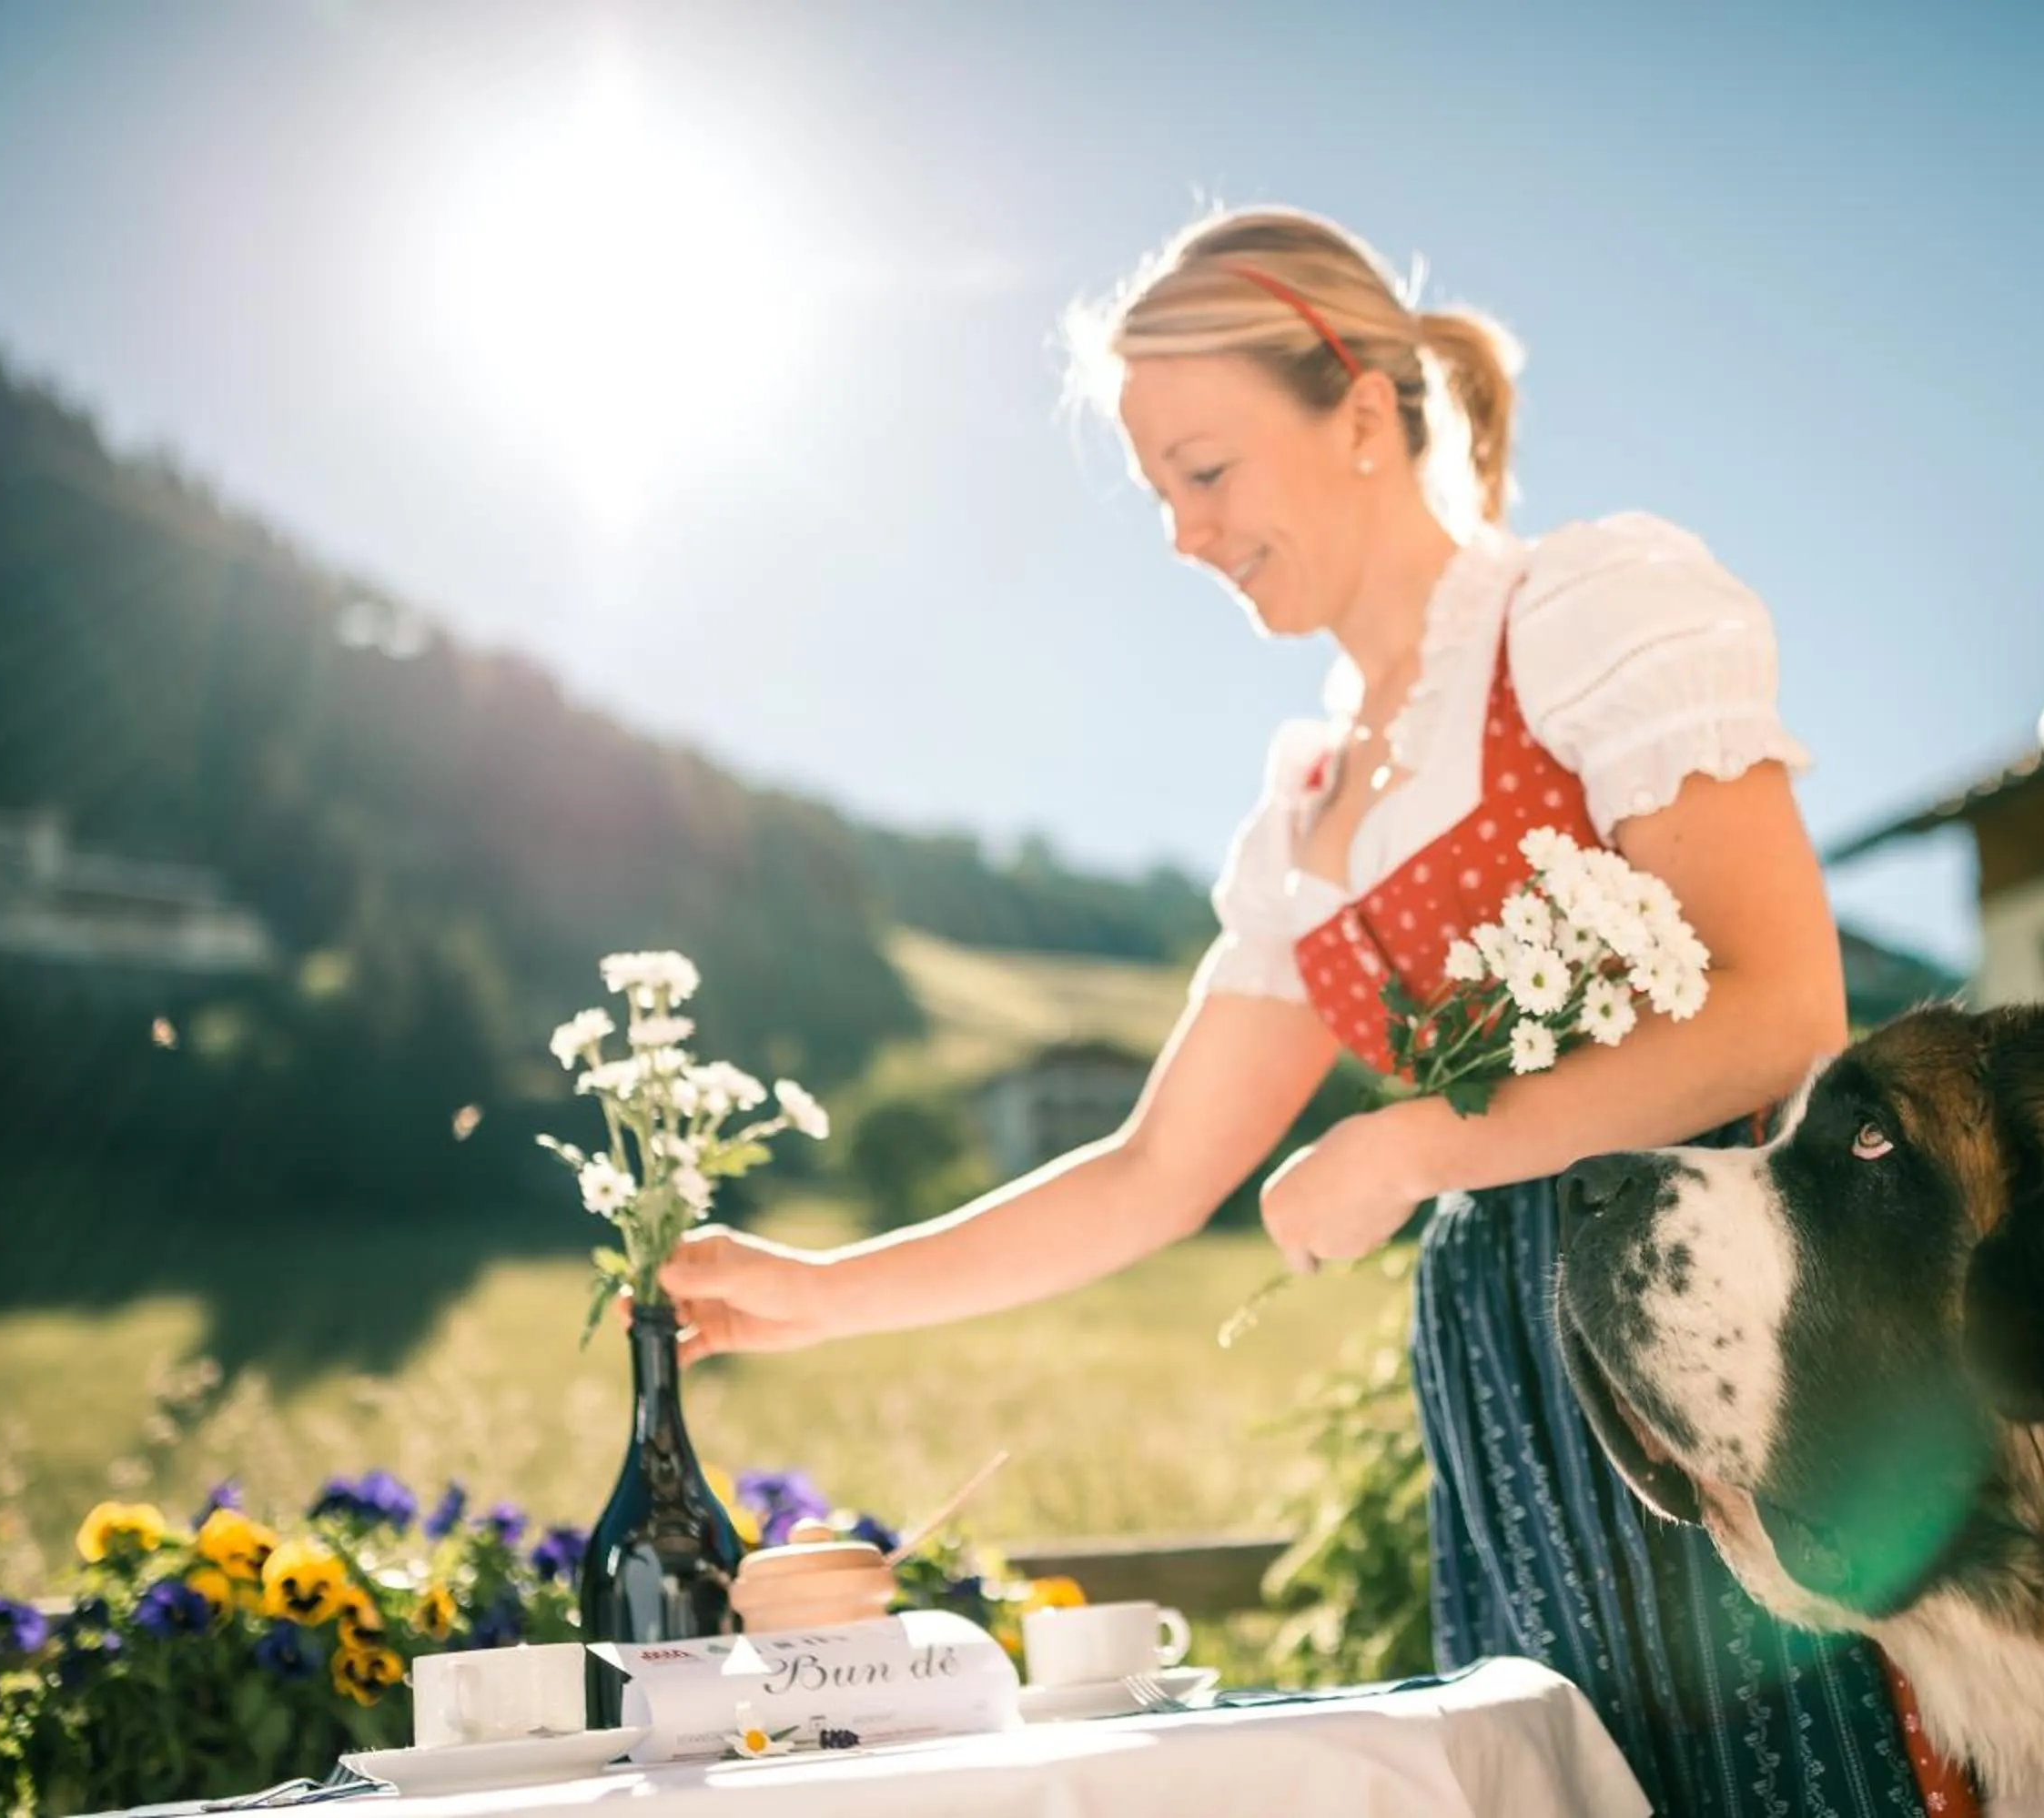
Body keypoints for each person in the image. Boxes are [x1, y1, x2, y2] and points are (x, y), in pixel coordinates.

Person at [661, 206, 1974, 1818]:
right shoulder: (1306, 812)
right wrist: (811, 1294)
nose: (1180, 531)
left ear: (1360, 409)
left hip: (1703, 1316)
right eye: (1157, 491)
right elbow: (1152, 1173)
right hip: (1506, 1375)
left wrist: (1419, 1141)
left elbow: (1785, 1012)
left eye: (1204, 470)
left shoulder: (1583, 612)